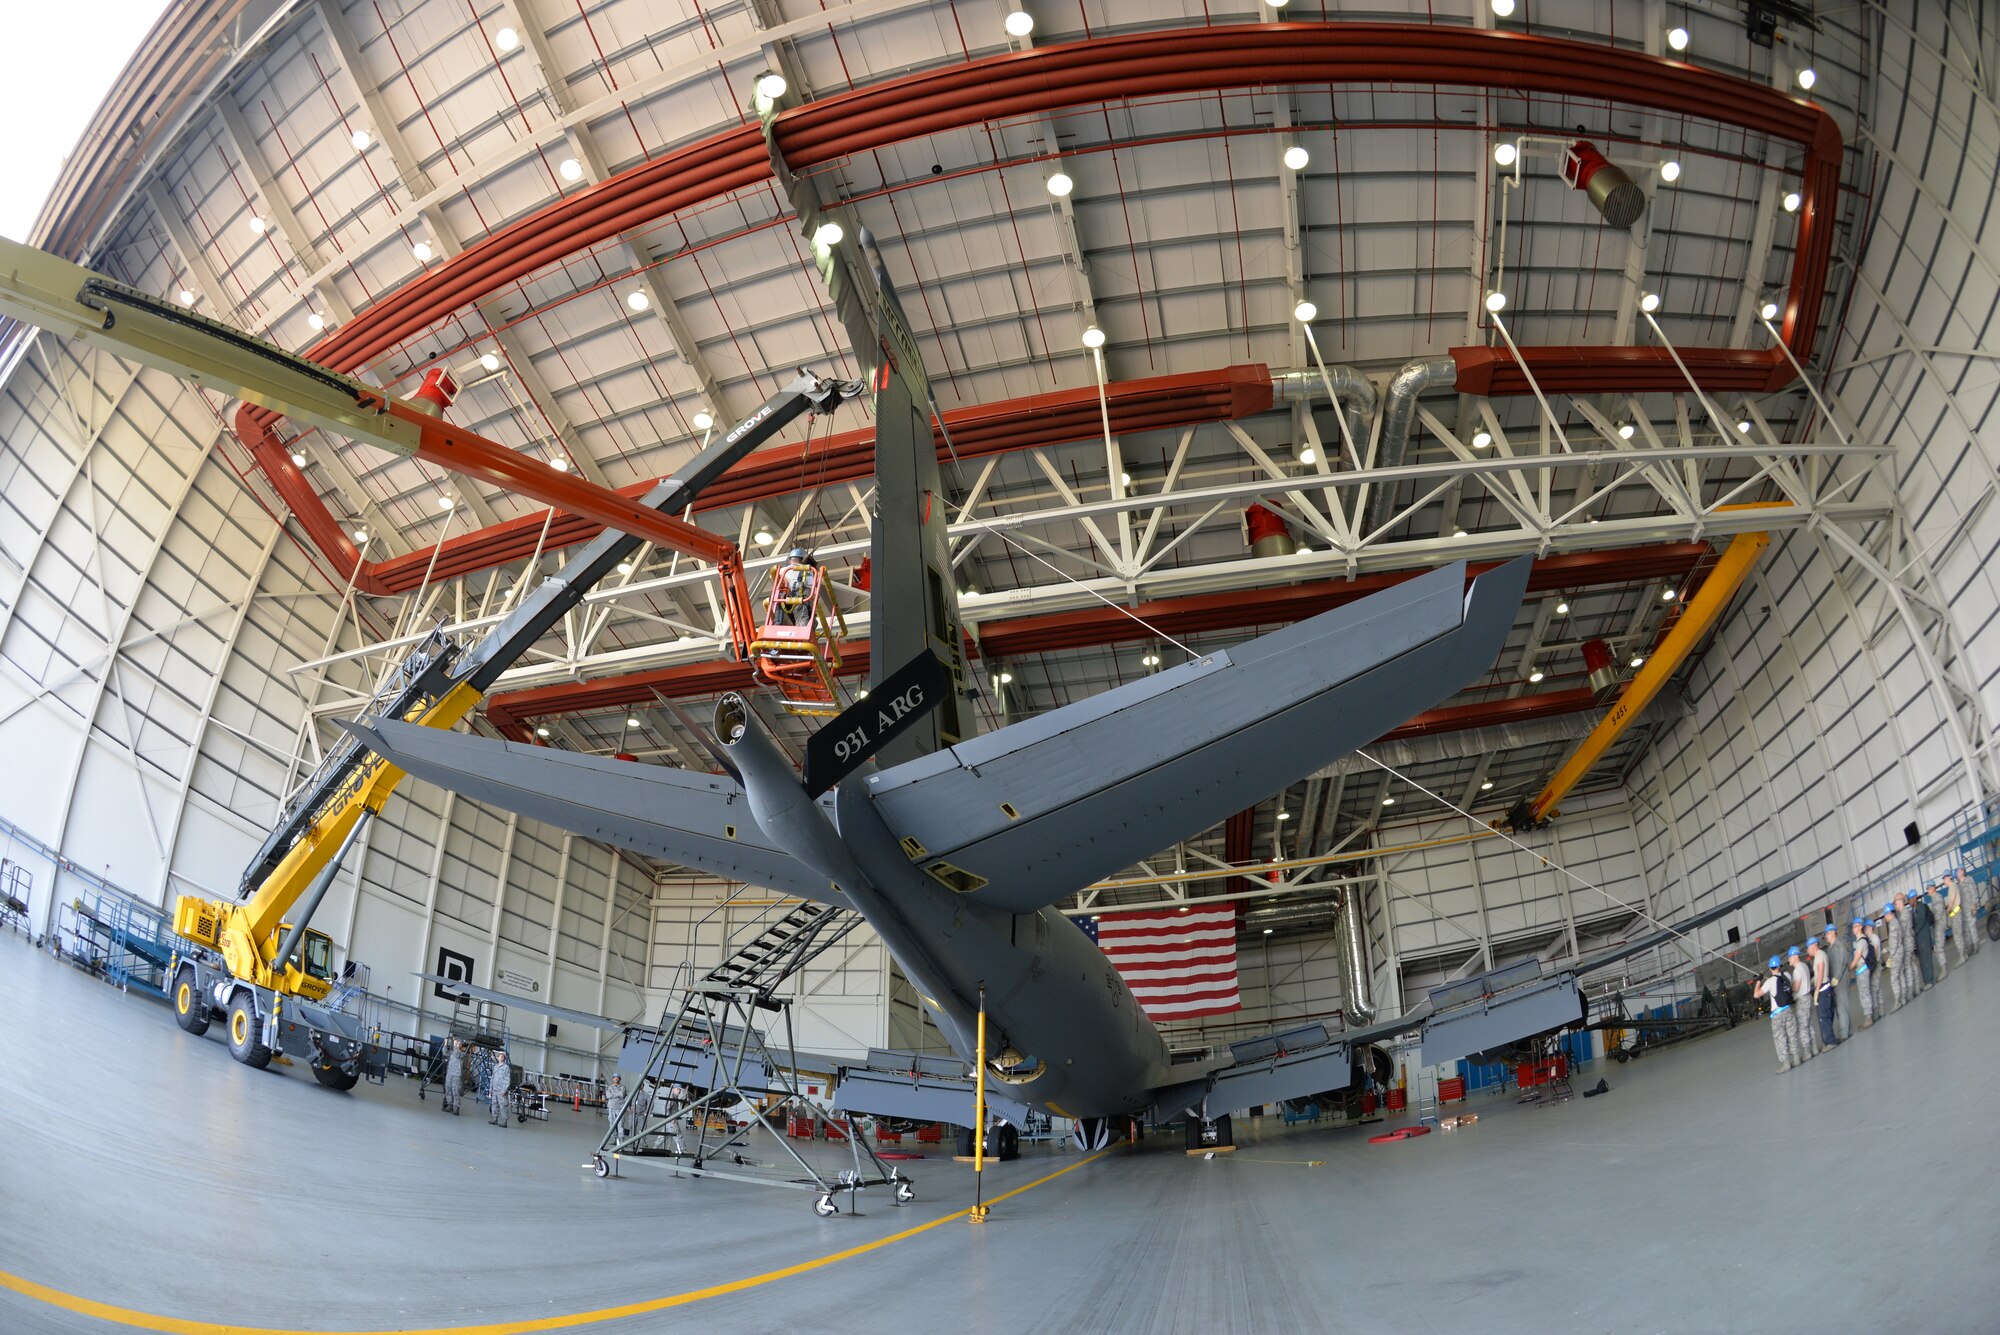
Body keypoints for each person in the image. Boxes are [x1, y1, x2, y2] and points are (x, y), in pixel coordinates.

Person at [1757, 956, 1799, 1073]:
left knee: (1780, 1038)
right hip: (1788, 1010)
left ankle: (1786, 1064)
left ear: (1770, 968)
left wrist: (1759, 981)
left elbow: (1756, 994)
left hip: (1777, 1014)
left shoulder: (1770, 982)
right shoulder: (1787, 975)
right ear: (1780, 966)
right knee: (1792, 1034)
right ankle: (1796, 1059)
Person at [774, 548, 820, 626]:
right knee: (806, 616)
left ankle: (778, 623)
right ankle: (803, 632)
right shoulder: (810, 570)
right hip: (801, 598)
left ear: (790, 559)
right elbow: (811, 587)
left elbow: (773, 578)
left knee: (778, 601)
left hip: (787, 599)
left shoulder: (783, 570)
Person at [1808, 937, 1839, 1050]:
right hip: (1826, 988)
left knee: (1823, 1016)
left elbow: (1821, 971)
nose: (1808, 951)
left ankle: (1830, 1042)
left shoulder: (1819, 956)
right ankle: (1828, 1040)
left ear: (1812, 946)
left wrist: (1816, 990)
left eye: (1808, 948)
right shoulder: (1822, 954)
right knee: (1827, 1014)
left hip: (1822, 990)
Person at [1824, 922, 1853, 1042]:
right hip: (1834, 981)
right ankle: (1846, 1029)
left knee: (1842, 1005)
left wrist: (1836, 977)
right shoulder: (1830, 948)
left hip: (1840, 980)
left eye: (1827, 934)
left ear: (1833, 933)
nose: (1826, 936)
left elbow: (1842, 962)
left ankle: (1844, 1033)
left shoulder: (1840, 945)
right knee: (1839, 1006)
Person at [1787, 947, 1814, 1060]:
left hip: (1802, 1000)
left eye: (1789, 957)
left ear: (1795, 956)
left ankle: (1807, 1052)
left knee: (1802, 1026)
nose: (1789, 960)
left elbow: (1797, 988)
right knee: (1809, 1025)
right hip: (1808, 997)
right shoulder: (1804, 966)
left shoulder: (1797, 970)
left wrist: (1788, 986)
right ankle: (1814, 1048)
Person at [1851, 918, 1879, 1028]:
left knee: (1864, 993)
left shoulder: (1861, 941)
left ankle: (1868, 1018)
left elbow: (1857, 958)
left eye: (1855, 926)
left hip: (1862, 970)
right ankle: (1870, 1015)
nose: (1853, 928)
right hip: (1862, 970)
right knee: (1865, 992)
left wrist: (1849, 968)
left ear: (1860, 927)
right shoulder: (1861, 940)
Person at [1908, 890, 1937, 991]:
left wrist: (1913, 932)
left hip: (1924, 937)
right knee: (1922, 961)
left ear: (1914, 898)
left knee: (1927, 959)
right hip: (1919, 940)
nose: (1909, 902)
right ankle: (1926, 981)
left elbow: (1920, 922)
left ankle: (1930, 980)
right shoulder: (1912, 911)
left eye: (1910, 899)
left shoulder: (1920, 907)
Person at [487, 1047, 513, 1127]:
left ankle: (504, 1122)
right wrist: (490, 1089)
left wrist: (504, 1090)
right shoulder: (495, 1067)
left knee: (503, 1105)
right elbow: (493, 1078)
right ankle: (495, 1119)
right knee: (494, 1104)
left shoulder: (506, 1068)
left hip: (502, 1090)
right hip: (495, 1089)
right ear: (497, 1058)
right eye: (499, 1056)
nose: (500, 1057)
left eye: (502, 1056)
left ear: (504, 1058)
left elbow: (507, 1079)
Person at [443, 1036, 465, 1115]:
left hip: (457, 1074)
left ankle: (456, 1107)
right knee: (448, 1088)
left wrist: (455, 1046)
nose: (456, 1044)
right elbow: (445, 1052)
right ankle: (450, 1105)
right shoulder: (452, 1051)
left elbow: (457, 1054)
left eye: (458, 1043)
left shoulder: (462, 1053)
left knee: (455, 1091)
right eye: (456, 1042)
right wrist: (446, 1043)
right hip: (450, 1073)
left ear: (461, 1045)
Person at [605, 1073, 628, 1144]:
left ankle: (621, 1140)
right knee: (612, 1124)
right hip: (611, 1107)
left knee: (620, 1124)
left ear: (620, 1079)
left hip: (619, 1108)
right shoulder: (609, 1087)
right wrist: (617, 1094)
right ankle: (614, 1139)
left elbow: (622, 1095)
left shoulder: (622, 1087)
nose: (616, 1079)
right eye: (615, 1077)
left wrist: (613, 1094)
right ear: (613, 1079)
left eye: (618, 1077)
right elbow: (608, 1096)